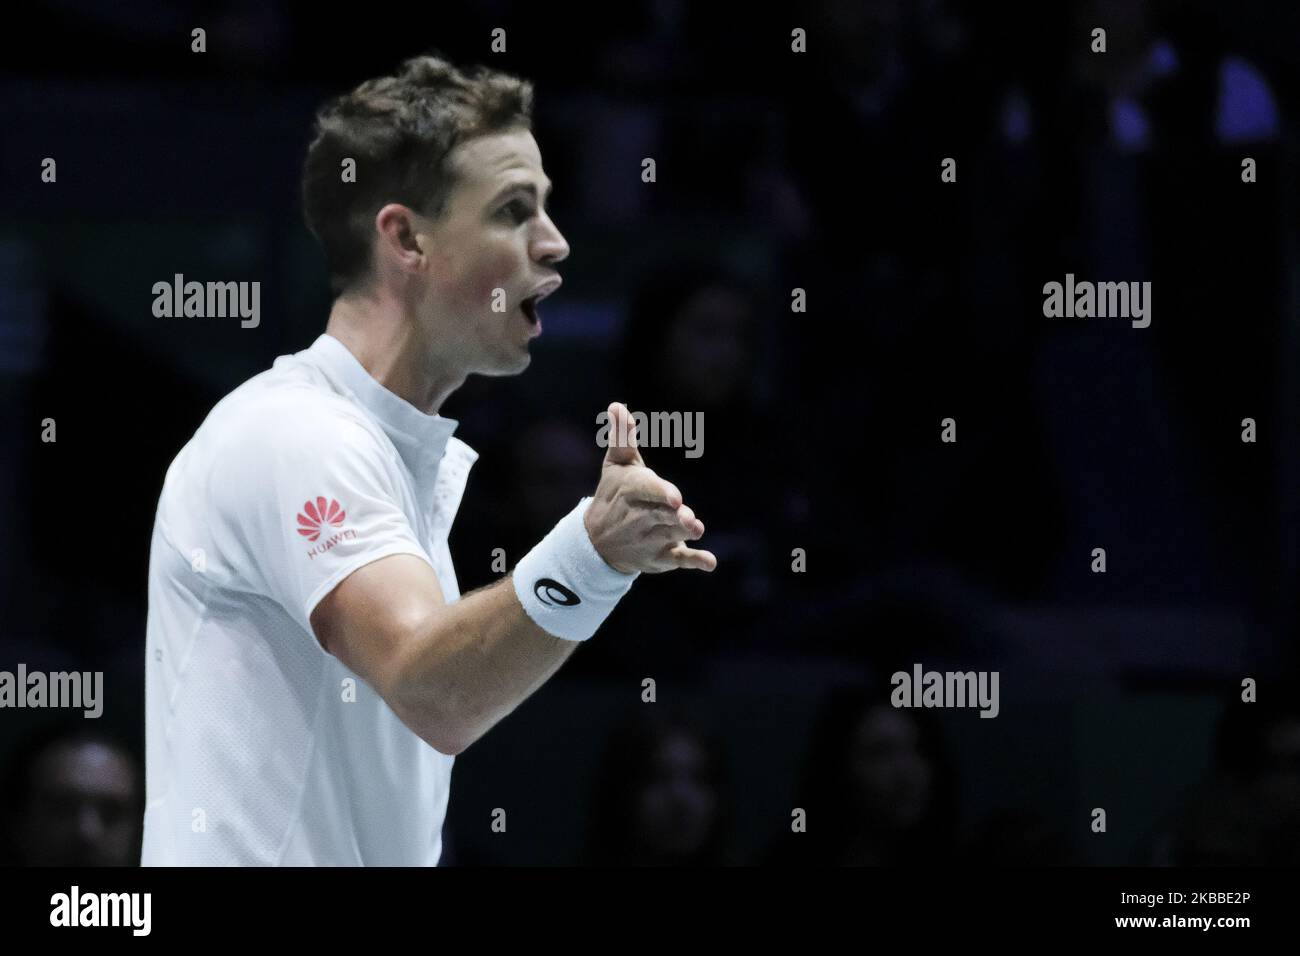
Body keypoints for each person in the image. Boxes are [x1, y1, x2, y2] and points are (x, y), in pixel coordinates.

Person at [141, 54, 715, 866]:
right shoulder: (298, 434)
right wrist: (591, 555)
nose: (554, 244)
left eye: (546, 209)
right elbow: (433, 691)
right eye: (515, 211)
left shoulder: (385, 451)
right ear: (407, 238)